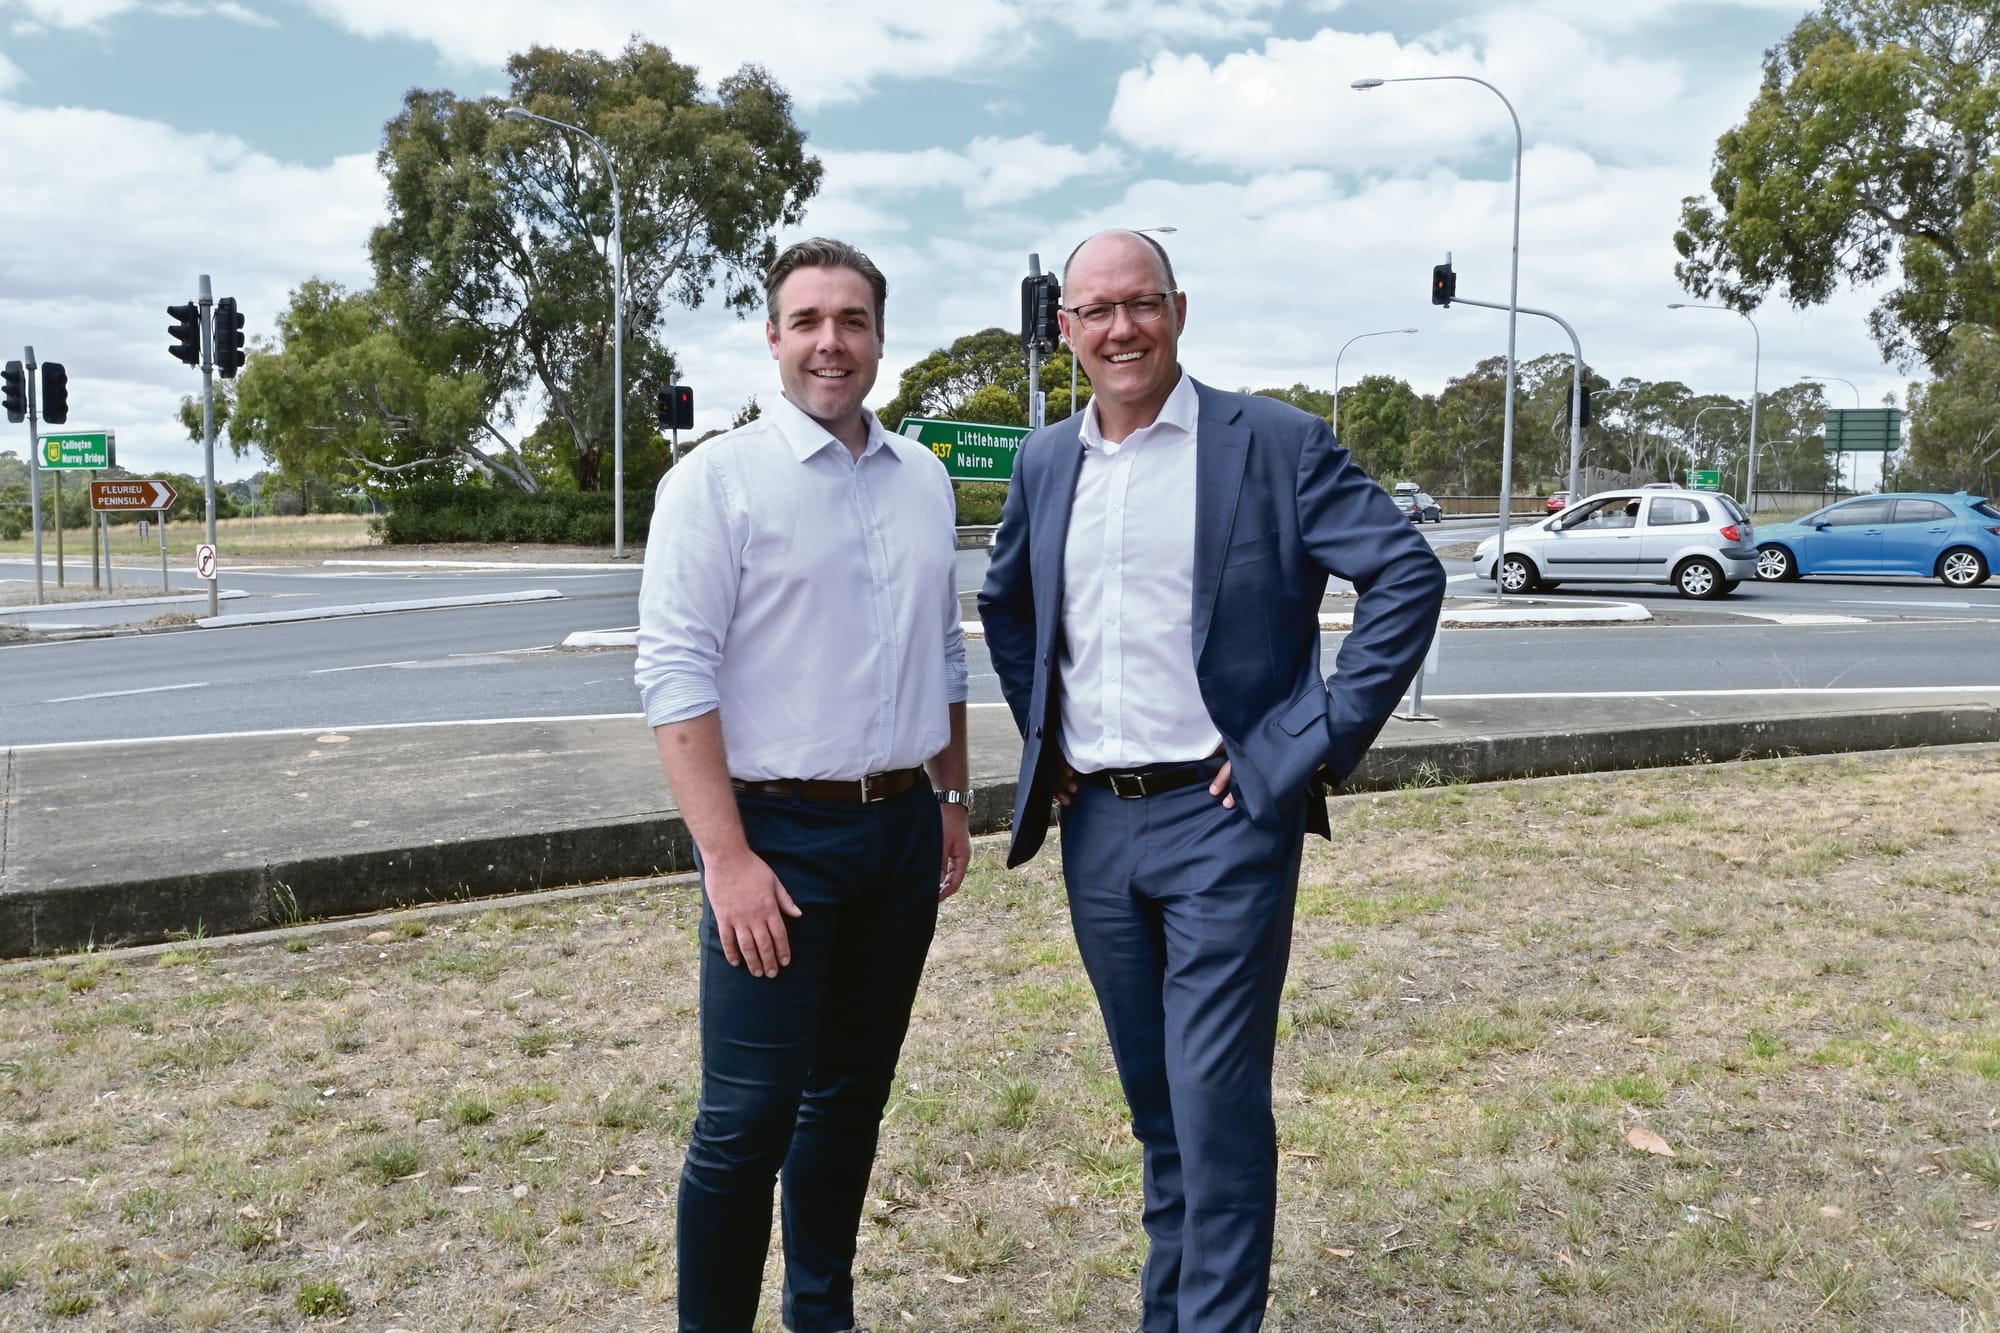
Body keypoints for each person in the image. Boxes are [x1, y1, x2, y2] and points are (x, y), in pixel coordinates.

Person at [978, 229, 1445, 1330]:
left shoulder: (1272, 443)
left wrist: (1302, 740)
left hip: (1224, 823)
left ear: (1178, 310)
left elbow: (1404, 576)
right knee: (1159, 1112)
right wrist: (1047, 740)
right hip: (1097, 830)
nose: (1121, 328)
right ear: (1066, 329)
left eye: (1140, 303)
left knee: (1215, 1112)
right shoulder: (1046, 461)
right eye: (1096, 310)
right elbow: (1007, 605)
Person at [636, 236, 972, 1333]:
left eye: (853, 320)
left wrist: (951, 798)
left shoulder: (922, 477)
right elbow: (674, 673)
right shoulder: (716, 481)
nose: (832, 342)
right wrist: (725, 858)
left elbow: (942, 649)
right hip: (773, 843)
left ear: (879, 337)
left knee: (850, 1100)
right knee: (746, 1120)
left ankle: (821, 1312)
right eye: (809, 321)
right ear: (773, 338)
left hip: (900, 832)